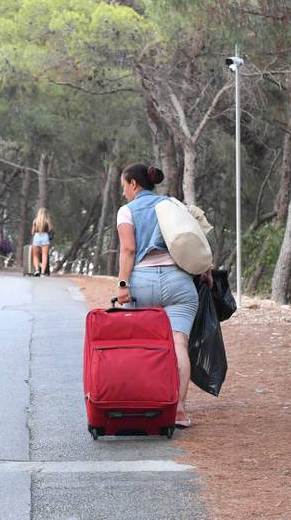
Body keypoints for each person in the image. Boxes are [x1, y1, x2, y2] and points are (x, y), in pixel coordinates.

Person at [115, 164, 212, 430]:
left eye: (124, 185)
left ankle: (144, 403)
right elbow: (193, 237)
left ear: (134, 183)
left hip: (142, 283)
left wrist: (123, 285)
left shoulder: (127, 211)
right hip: (179, 281)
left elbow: (128, 248)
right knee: (178, 343)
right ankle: (179, 411)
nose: (123, 192)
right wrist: (206, 268)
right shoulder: (172, 204)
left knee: (141, 344)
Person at [30, 207, 53, 277]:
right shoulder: (48, 221)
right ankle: (42, 272)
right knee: (44, 255)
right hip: (45, 236)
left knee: (35, 255)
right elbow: (51, 230)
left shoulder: (35, 221)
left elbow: (32, 232)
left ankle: (37, 270)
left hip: (37, 236)